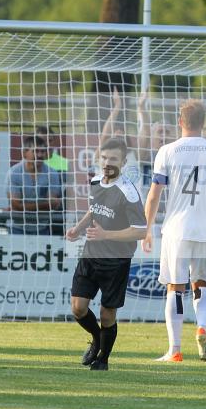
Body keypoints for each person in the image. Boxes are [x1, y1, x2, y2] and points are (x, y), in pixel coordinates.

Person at [142, 99, 206, 362]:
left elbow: (153, 196)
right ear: (203, 123)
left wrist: (147, 229)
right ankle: (202, 326)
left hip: (177, 229)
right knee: (202, 284)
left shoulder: (167, 151)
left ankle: (174, 350)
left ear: (180, 122)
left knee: (176, 287)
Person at [65, 138, 147, 371]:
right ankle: (96, 339)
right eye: (104, 158)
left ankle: (103, 359)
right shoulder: (95, 181)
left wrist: (105, 235)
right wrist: (78, 228)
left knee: (107, 314)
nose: (107, 163)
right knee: (78, 308)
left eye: (113, 159)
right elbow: (93, 210)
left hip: (116, 261)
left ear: (123, 161)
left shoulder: (129, 192)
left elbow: (140, 232)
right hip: (90, 254)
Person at [6, 135, 64, 235]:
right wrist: (44, 204)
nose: (40, 155)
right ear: (24, 153)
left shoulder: (52, 173)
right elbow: (15, 206)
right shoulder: (14, 173)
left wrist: (25, 207)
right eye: (36, 151)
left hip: (42, 228)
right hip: (17, 228)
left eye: (43, 151)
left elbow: (53, 205)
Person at [36, 125, 69, 235]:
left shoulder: (66, 164)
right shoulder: (30, 164)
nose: (47, 144)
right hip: (36, 216)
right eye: (42, 140)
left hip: (59, 217)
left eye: (49, 140)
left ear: (54, 142)